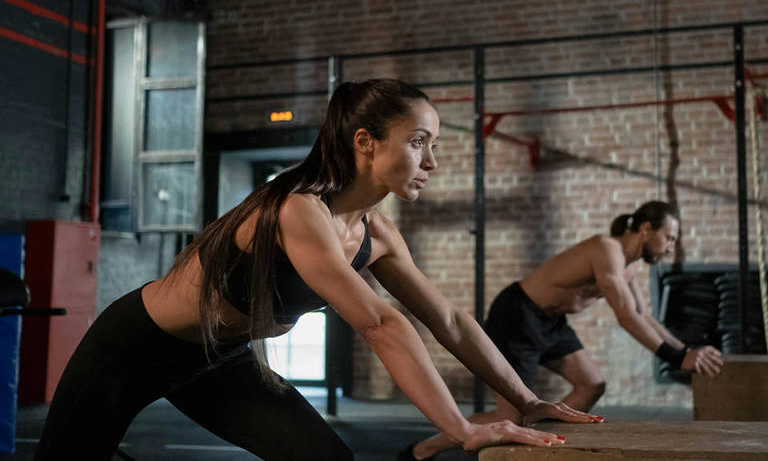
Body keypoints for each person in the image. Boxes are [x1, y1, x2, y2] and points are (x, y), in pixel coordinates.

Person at [35, 79, 597, 461]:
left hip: (218, 363)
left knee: (324, 457)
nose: (431, 162)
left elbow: (447, 320)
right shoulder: (299, 209)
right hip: (132, 348)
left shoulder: (378, 236)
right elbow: (381, 324)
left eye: (434, 145)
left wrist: (525, 397)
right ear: (364, 143)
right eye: (419, 142)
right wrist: (462, 429)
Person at [409, 201, 724, 461]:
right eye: (668, 238)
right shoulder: (607, 250)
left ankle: (541, 438)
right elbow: (627, 317)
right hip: (519, 315)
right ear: (645, 229)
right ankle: (427, 448)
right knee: (513, 416)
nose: (670, 248)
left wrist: (684, 352)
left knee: (591, 384)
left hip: (552, 323)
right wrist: (676, 357)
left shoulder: (628, 267)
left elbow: (645, 317)